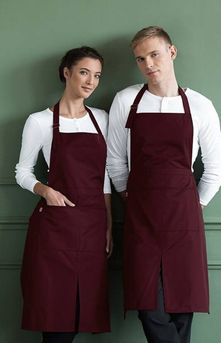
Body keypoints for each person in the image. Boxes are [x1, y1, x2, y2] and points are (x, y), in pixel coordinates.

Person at [107, 26, 221, 343]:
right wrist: (129, 196)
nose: (148, 64)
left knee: (182, 302)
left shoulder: (200, 105)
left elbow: (217, 166)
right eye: (140, 59)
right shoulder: (126, 101)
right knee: (149, 303)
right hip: (141, 215)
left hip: (183, 215)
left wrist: (196, 203)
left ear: (172, 52)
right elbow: (115, 159)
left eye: (154, 54)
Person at [15, 46, 112, 343]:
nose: (91, 82)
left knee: (84, 307)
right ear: (66, 72)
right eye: (84, 72)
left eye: (96, 75)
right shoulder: (40, 121)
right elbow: (22, 172)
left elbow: (105, 177)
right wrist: (45, 191)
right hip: (55, 229)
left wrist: (109, 226)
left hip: (93, 226)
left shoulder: (102, 119)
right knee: (56, 318)